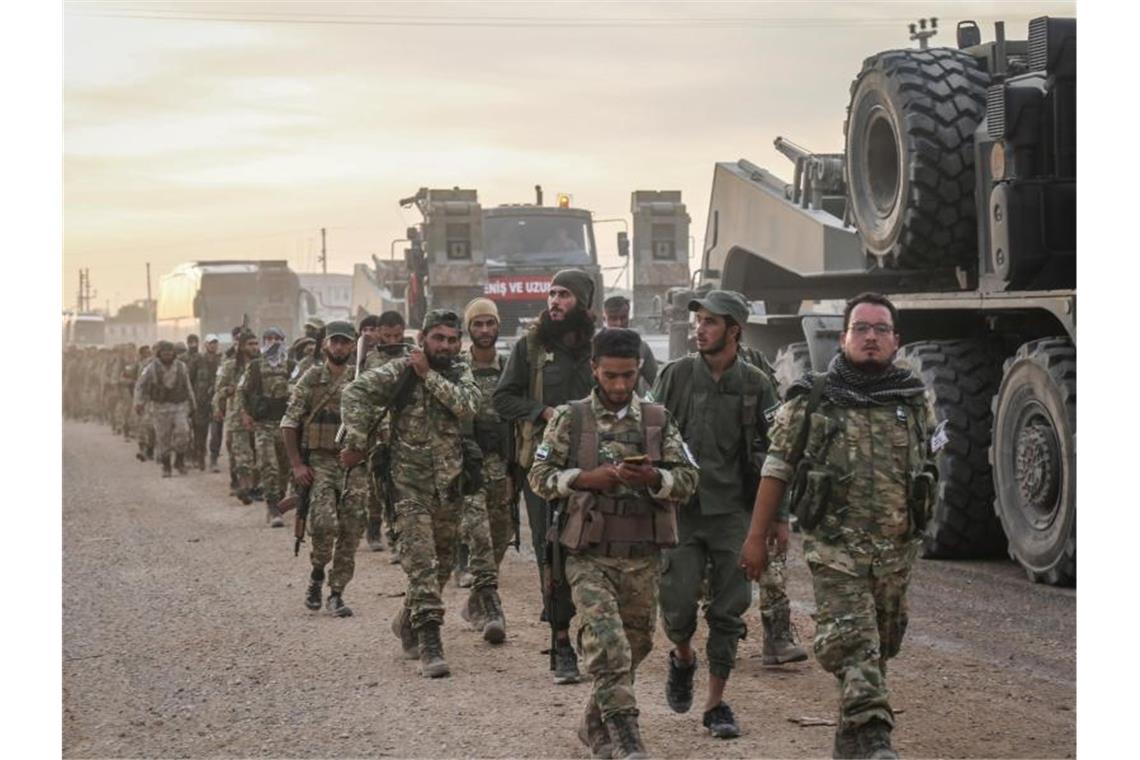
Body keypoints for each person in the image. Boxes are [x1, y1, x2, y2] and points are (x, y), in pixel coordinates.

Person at [739, 292, 939, 759]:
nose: (871, 337)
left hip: (895, 555)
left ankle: (850, 748)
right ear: (843, 337)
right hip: (836, 553)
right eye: (861, 329)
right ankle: (876, 739)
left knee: (878, 651)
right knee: (854, 644)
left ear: (896, 340)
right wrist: (756, 538)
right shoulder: (813, 397)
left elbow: (928, 466)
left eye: (881, 330)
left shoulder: (911, 400)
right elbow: (776, 468)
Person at [529, 328, 699, 759]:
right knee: (609, 647)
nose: (620, 386)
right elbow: (539, 476)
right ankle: (626, 737)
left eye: (628, 376)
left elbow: (690, 479)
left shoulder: (657, 419)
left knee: (637, 645)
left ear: (639, 369)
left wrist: (656, 479)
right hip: (589, 555)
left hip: (642, 555)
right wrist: (583, 479)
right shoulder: (573, 419)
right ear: (594, 370)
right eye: (611, 376)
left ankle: (594, 719)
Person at [650, 290, 779, 739]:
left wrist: (777, 519)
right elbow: (647, 427)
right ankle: (683, 657)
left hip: (733, 513)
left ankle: (716, 704)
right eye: (698, 321)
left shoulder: (757, 384)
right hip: (680, 510)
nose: (699, 329)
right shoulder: (675, 375)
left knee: (730, 610)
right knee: (677, 602)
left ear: (734, 330)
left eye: (710, 321)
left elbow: (779, 454)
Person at [340, 309, 482, 678]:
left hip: (449, 485)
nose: (447, 345)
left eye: (453, 339)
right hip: (408, 485)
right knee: (421, 564)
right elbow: (354, 393)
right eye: (439, 338)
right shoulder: (399, 370)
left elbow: (467, 406)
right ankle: (430, 641)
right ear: (423, 341)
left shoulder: (459, 371)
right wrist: (357, 439)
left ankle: (407, 619)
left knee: (442, 565)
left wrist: (429, 375)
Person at [493, 268, 597, 685]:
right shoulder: (530, 348)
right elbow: (503, 397)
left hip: (595, 466)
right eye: (552, 294)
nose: (554, 301)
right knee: (551, 548)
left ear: (583, 302)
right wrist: (543, 412)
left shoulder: (600, 348)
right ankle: (560, 641)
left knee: (596, 546)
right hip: (544, 468)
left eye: (564, 295)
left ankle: (595, 633)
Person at [281, 321, 367, 617]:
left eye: (345, 342)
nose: (340, 347)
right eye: (335, 342)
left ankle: (337, 592)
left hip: (355, 465)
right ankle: (318, 572)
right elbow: (289, 422)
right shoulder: (312, 378)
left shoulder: (362, 379)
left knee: (352, 530)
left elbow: (380, 423)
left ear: (353, 345)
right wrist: (296, 464)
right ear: (325, 345)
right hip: (320, 462)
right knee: (324, 523)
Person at [452, 298, 513, 641]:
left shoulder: (509, 368)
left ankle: (474, 602)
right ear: (469, 328)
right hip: (467, 465)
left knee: (501, 536)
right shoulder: (457, 369)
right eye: (478, 324)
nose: (485, 330)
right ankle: (491, 606)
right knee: (478, 534)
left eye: (490, 323)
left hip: (501, 464)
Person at [359, 310, 411, 555]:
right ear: (379, 333)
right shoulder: (369, 361)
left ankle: (397, 539)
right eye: (387, 335)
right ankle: (374, 526)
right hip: (377, 431)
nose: (392, 340)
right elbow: (364, 398)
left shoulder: (413, 357)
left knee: (404, 487)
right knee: (378, 484)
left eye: (397, 335)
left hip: (407, 431)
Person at [237, 327, 293, 526]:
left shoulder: (291, 365)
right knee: (269, 466)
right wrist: (244, 413)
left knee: (286, 468)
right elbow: (242, 392)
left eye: (277, 339)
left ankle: (279, 499)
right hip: (264, 424)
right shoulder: (255, 366)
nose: (273, 342)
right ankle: (272, 507)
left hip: (287, 424)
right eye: (268, 339)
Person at [133, 340, 195, 477]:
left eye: (170, 352)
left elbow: (188, 386)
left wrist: (193, 404)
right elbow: (140, 386)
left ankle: (179, 460)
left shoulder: (181, 367)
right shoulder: (150, 368)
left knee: (184, 433)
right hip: (160, 408)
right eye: (164, 352)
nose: (167, 355)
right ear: (159, 353)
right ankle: (166, 466)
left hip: (179, 406)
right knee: (163, 438)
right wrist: (138, 402)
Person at [213, 327, 257, 500]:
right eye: (250, 344)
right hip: (237, 416)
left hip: (259, 416)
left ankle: (255, 486)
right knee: (241, 454)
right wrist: (226, 393)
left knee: (258, 454)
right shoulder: (229, 366)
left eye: (256, 344)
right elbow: (218, 390)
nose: (254, 347)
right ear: (241, 346)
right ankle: (244, 487)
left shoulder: (261, 366)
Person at [602, 294, 658, 387]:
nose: (619, 323)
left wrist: (647, 400)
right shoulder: (593, 348)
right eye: (613, 318)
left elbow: (657, 384)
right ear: (604, 319)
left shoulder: (641, 347)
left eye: (623, 318)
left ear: (629, 317)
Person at [186, 334, 221, 470]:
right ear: (205, 345)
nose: (213, 345)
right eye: (210, 343)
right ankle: (200, 457)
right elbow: (189, 380)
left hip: (217, 402)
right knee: (200, 431)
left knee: (216, 432)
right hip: (200, 402)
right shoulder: (197, 360)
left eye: (215, 343)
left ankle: (214, 459)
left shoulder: (221, 361)